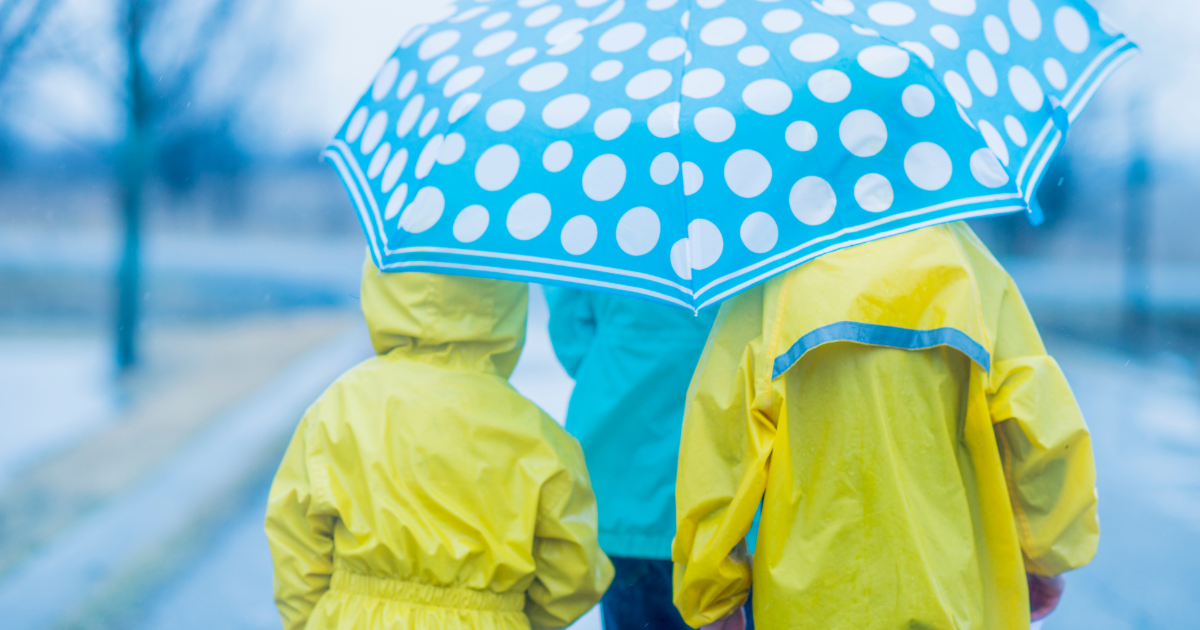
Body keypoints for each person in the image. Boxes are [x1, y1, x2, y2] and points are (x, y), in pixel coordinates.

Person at [672, 222, 1099, 630]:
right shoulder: (966, 261)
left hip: (813, 609)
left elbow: (720, 445)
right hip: (957, 596)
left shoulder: (769, 276)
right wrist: (1047, 554)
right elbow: (1041, 426)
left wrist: (714, 596)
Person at [265, 261, 613, 630]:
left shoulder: (340, 406)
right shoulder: (538, 435)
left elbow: (296, 536)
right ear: (507, 298)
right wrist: (508, 616)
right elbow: (573, 570)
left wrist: (314, 619)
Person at [547, 289, 747, 630]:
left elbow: (570, 325)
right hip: (731, 478)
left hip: (622, 464)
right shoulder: (746, 237)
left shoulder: (605, 235)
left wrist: (614, 360)